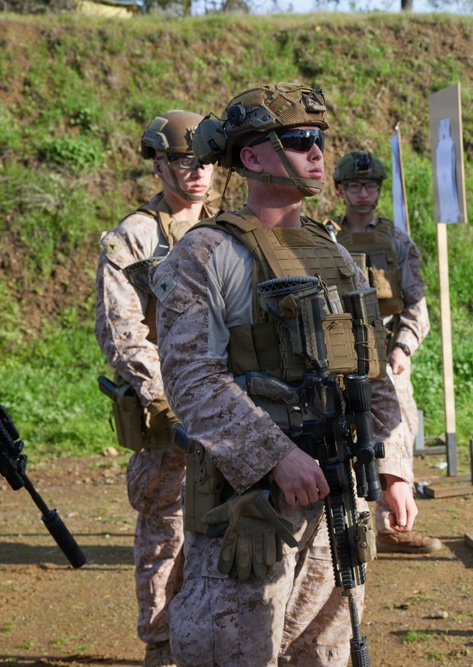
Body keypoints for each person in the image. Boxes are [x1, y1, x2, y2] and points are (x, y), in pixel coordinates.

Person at [151, 83, 417, 666]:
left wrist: (394, 466)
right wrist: (274, 455)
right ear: (252, 157)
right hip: (253, 505)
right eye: (299, 140)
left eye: (320, 139)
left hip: (338, 497)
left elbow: (372, 373)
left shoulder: (335, 253)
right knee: (236, 649)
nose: (318, 152)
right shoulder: (206, 254)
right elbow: (192, 381)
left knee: (324, 650)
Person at [95, 109, 215, 667]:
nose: (197, 173)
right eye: (185, 162)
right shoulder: (133, 238)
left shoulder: (228, 229)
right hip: (170, 418)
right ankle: (162, 642)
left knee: (221, 531)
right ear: (159, 164)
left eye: (206, 162)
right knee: (165, 531)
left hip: (227, 412)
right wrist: (173, 399)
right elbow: (123, 335)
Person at [327, 149, 441, 555]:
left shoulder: (397, 241)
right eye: (355, 185)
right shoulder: (326, 238)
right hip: (335, 357)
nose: (363, 193)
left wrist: (403, 348)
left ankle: (393, 525)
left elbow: (416, 306)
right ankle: (348, 525)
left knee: (396, 432)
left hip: (387, 355)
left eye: (370, 185)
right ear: (340, 189)